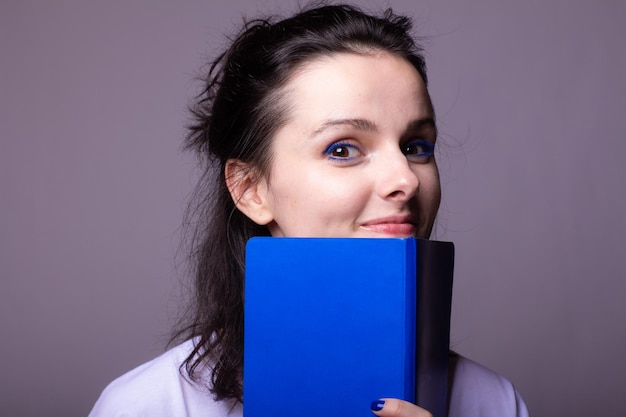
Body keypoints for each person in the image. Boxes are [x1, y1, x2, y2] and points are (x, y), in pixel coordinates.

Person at [89, 4, 529, 417]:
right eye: (342, 149)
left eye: (416, 147)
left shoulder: (493, 402)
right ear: (251, 190)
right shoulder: (148, 405)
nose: (407, 180)